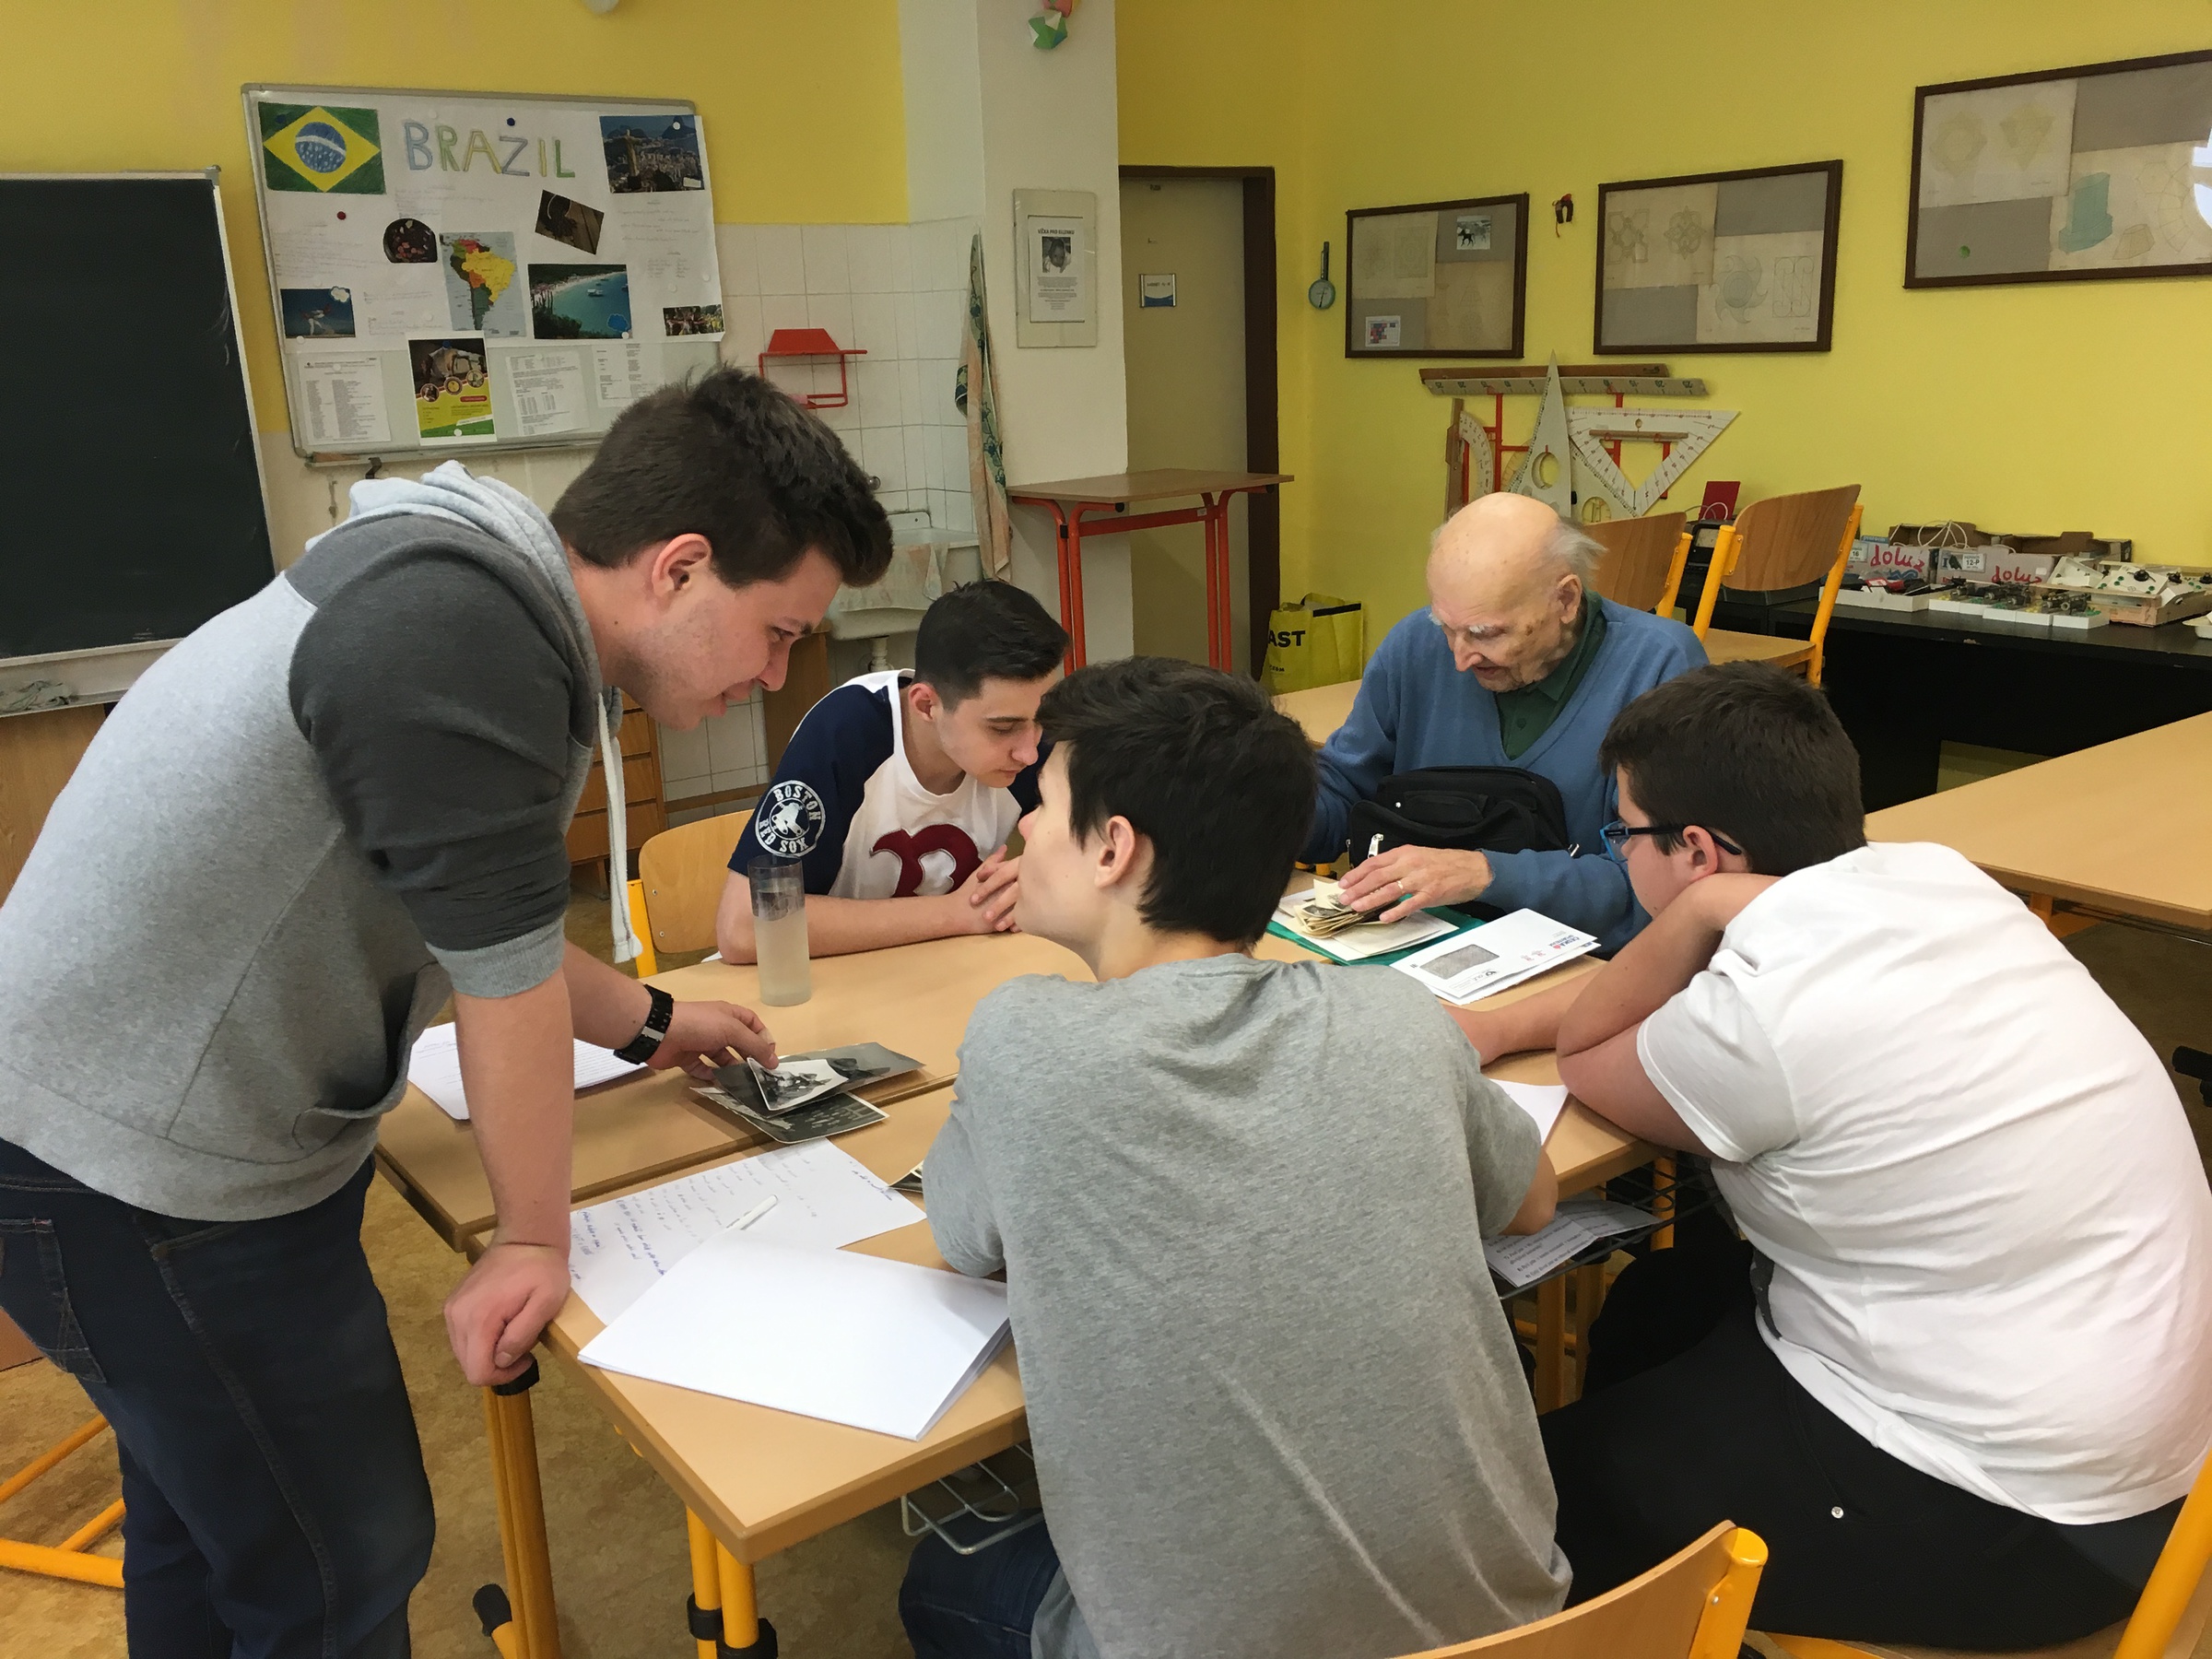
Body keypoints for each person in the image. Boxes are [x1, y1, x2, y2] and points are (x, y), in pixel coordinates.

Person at [0, 368, 890, 1655]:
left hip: (109, 1131)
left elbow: (482, 919)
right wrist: (531, 1238)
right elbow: (502, 983)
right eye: (778, 632)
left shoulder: (468, 590)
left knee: (214, 1532)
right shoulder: (460, 633)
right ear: (681, 569)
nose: (776, 673)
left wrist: (652, 1021)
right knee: (335, 1569)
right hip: (143, 1171)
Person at [1464, 662, 2212, 1648]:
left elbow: (1592, 1049)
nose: (1619, 852)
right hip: (2144, 1460)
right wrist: (1497, 1023)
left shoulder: (1763, 1021)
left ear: (1697, 851)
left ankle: (1657, 1608)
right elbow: (1668, 1006)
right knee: (1660, 1301)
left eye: (1623, 833)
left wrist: (1691, 914)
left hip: (2017, 1524)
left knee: (1520, 1502)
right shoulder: (1936, 876)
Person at [905, 656, 1568, 1659]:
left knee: (937, 1579)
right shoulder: (1396, 1016)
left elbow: (963, 1242)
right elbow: (1532, 1201)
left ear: (1113, 849)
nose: (1025, 828)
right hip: (1521, 1632)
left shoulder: (1022, 1040)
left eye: (1043, 805)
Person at [1312, 493, 1705, 950]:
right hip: (1413, 942)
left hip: (1587, 962)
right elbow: (1343, 791)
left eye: (1486, 633)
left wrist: (1487, 874)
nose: (1459, 658)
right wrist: (1266, 808)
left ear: (1566, 599)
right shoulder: (1414, 645)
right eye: (1445, 626)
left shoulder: (1658, 666)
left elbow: (1664, 887)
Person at [715, 579, 1066, 961]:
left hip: (939, 970)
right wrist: (953, 914)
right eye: (1002, 728)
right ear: (926, 706)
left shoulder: (1030, 735)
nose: (1029, 753)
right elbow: (744, 927)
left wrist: (1041, 875)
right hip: (826, 977)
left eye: (1042, 720)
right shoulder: (844, 732)